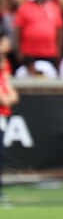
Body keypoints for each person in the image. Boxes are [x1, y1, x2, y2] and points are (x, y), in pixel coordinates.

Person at [0, 35, 16, 199]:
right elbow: (4, 98)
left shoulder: (4, 73)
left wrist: (7, 98)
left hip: (3, 117)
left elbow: (13, 96)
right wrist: (7, 99)